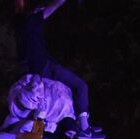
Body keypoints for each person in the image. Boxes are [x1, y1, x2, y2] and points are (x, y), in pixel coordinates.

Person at [10, 0, 101, 130]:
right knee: (79, 87)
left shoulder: (24, 21)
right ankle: (83, 127)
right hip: (43, 69)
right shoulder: (30, 19)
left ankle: (78, 126)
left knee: (72, 90)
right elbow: (54, 5)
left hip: (42, 67)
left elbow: (20, 5)